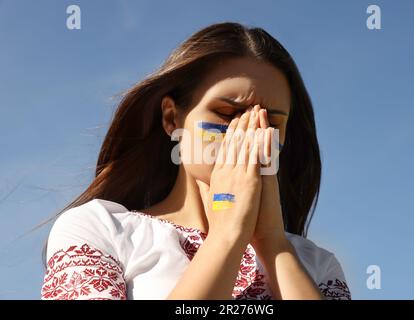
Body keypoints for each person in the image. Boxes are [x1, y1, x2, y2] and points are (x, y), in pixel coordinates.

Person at [40, 22, 351, 300]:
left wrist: (272, 242)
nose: (249, 134)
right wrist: (227, 234)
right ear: (172, 117)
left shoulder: (317, 264)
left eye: (270, 123)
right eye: (227, 114)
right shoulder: (100, 229)